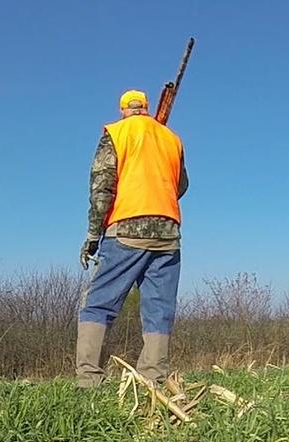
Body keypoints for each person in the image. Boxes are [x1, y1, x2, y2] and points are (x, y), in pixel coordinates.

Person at [76, 89, 188, 387]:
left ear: (124, 109)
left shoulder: (115, 132)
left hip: (126, 229)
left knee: (99, 304)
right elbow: (181, 185)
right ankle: (153, 382)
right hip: (168, 233)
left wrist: (92, 234)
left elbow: (102, 187)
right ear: (146, 109)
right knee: (159, 310)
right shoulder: (171, 138)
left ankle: (89, 381)